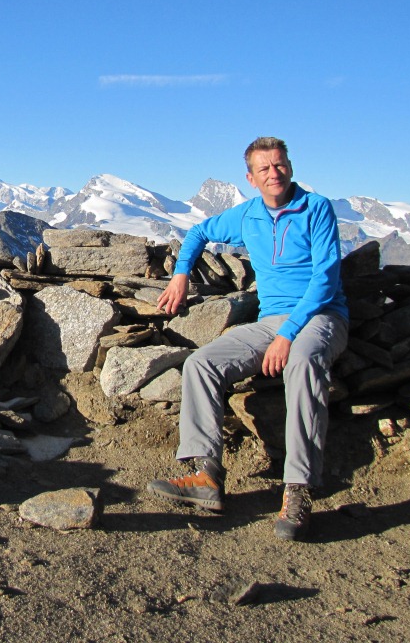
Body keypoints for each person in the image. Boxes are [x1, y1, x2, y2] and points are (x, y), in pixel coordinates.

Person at [149, 137, 349, 541]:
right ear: (251, 178)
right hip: (270, 320)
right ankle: (205, 476)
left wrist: (288, 335)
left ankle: (297, 490)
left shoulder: (316, 209)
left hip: (320, 316)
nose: (274, 173)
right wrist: (182, 273)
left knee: (303, 361)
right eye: (265, 169)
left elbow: (325, 280)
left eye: (280, 165)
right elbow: (199, 232)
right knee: (200, 363)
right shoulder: (247, 215)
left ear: (290, 167)